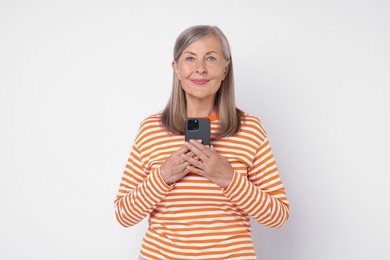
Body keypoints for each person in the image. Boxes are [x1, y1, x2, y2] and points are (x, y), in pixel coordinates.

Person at [114, 25, 290, 260]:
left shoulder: (249, 129)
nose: (200, 68)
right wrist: (163, 175)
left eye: (211, 58)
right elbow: (124, 215)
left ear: (225, 69)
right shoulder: (151, 129)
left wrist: (228, 178)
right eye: (190, 58)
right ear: (176, 68)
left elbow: (278, 216)